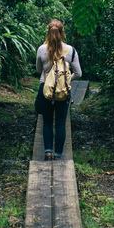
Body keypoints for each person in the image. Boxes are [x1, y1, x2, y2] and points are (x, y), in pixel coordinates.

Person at [35, 19, 82, 161]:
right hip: (63, 91)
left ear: (48, 32)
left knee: (47, 121)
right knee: (61, 123)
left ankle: (48, 152)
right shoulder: (71, 50)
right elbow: (79, 73)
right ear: (62, 33)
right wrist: (66, 80)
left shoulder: (41, 49)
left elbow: (39, 70)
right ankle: (58, 154)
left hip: (45, 90)